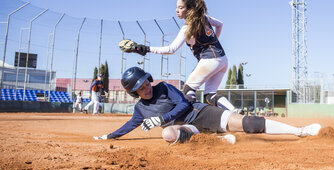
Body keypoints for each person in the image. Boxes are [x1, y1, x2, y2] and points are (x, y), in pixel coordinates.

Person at [93, 67, 321, 143]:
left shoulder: (164, 87)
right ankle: (218, 140)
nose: (146, 88)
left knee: (247, 124)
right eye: (140, 88)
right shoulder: (140, 110)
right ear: (134, 93)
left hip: (199, 114)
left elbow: (183, 105)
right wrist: (108, 137)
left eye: (146, 83)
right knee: (167, 135)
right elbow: (130, 125)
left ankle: (300, 131)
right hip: (189, 129)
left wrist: (160, 119)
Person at [126, 0, 239, 113]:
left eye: (181, 7)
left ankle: (196, 117)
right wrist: (214, 41)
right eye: (177, 7)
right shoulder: (204, 18)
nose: (177, 10)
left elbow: (171, 49)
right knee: (210, 95)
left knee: (188, 90)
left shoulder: (187, 27)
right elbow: (220, 24)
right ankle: (235, 111)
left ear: (190, 10)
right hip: (223, 59)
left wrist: (146, 48)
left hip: (210, 60)